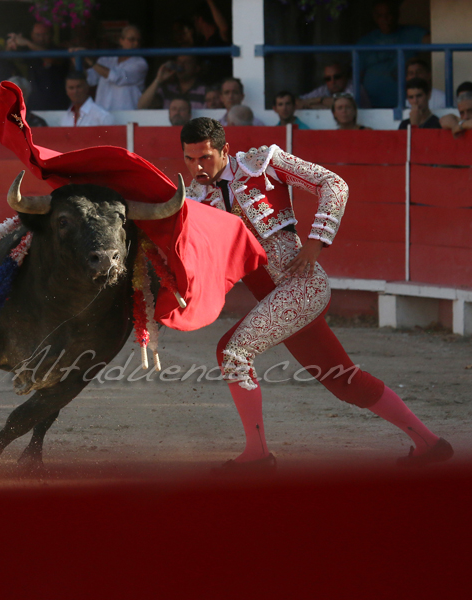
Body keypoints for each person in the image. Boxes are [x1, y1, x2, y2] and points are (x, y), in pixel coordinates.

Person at [180, 116, 453, 469]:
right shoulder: (193, 201)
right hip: (277, 304)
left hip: (303, 286)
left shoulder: (264, 163)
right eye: (189, 159)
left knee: (232, 352)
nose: (197, 167)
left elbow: (333, 183)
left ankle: (258, 456)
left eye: (205, 157)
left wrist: (315, 242)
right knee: (345, 380)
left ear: (225, 150)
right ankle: (429, 443)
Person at [357, 1, 428, 108]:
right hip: (371, 107)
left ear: (397, 14)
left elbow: (438, 39)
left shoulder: (411, 33)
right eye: (380, 16)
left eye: (388, 14)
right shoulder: (365, 42)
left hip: (407, 105)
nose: (385, 19)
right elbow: (358, 77)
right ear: (375, 17)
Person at [82, 25, 147, 111]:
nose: (136, 43)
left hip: (127, 116)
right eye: (131, 39)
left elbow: (119, 77)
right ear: (121, 41)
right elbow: (90, 78)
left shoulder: (140, 64)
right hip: (103, 115)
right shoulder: (106, 60)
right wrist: (76, 59)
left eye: (138, 40)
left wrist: (89, 61)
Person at [6, 22, 69, 111]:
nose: (41, 38)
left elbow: (51, 59)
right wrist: (12, 45)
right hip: (35, 105)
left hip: (59, 105)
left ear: (52, 35)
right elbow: (10, 59)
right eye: (38, 35)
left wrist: (27, 42)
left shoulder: (60, 50)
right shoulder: (28, 50)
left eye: (45, 34)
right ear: (32, 35)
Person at [138, 55, 206, 109]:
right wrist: (158, 79)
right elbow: (141, 106)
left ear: (197, 68)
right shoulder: (167, 90)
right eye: (179, 62)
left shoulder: (204, 91)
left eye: (186, 62)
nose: (181, 65)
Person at [297, 62, 371, 110]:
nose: (333, 82)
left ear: (345, 76)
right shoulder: (325, 88)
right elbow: (298, 101)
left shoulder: (354, 87)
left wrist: (319, 100)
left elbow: (342, 104)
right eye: (328, 78)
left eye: (337, 77)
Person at [192, 0, 232, 83]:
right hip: (204, 88)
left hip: (220, 85)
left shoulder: (219, 36)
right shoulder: (200, 42)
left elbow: (224, 28)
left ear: (199, 19)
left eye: (194, 20)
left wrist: (210, 1)